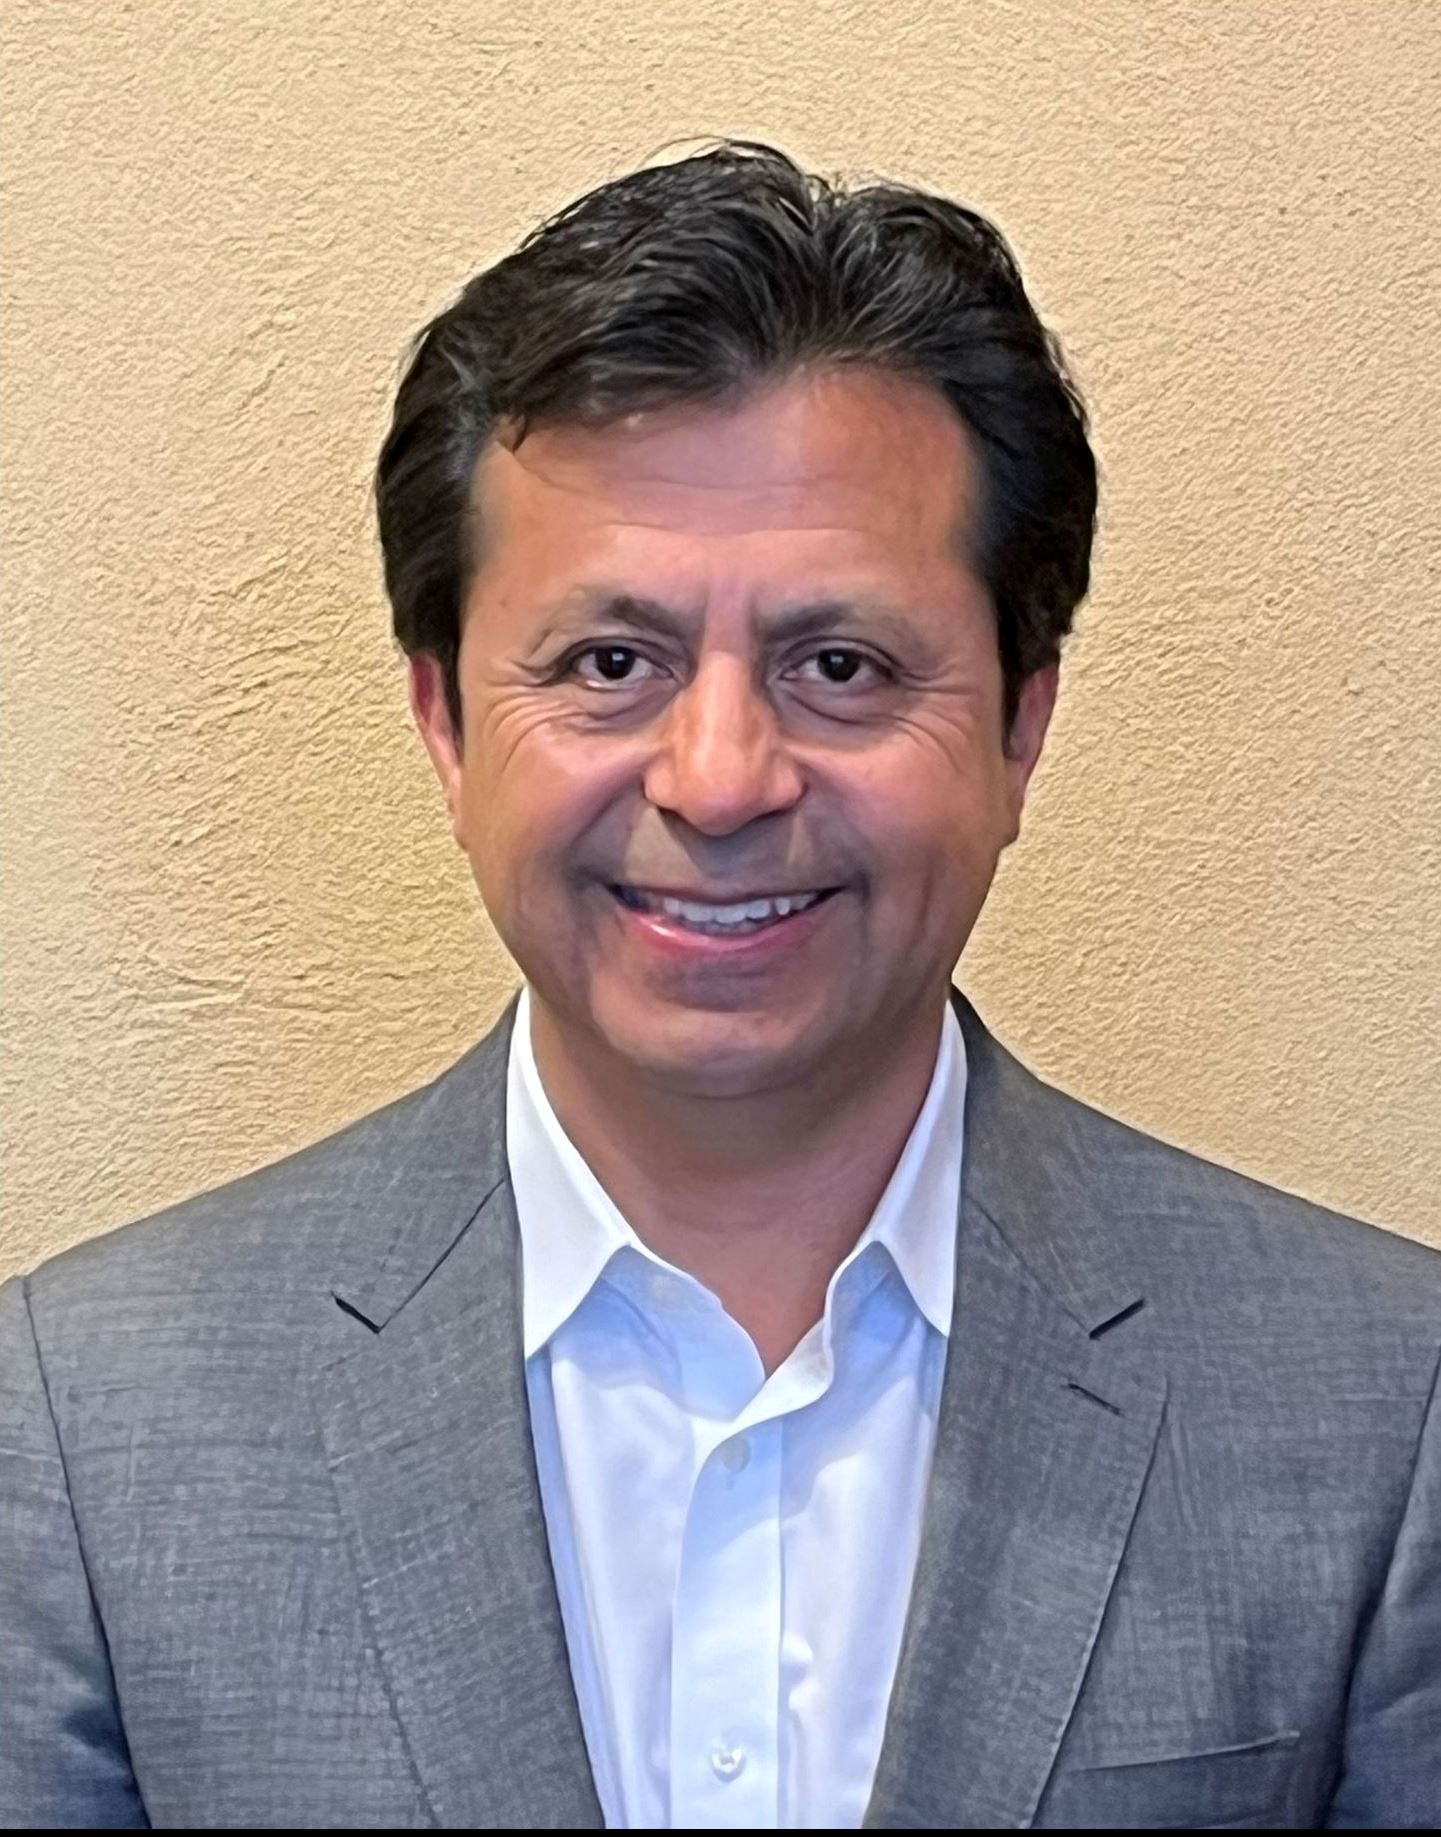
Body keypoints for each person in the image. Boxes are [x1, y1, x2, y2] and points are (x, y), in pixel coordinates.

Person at [2, 140, 1438, 1832]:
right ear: (445, 722)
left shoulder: (1381, 1401)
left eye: (842, 666)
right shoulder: (89, 1420)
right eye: (610, 664)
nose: (721, 776)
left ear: (1017, 725)